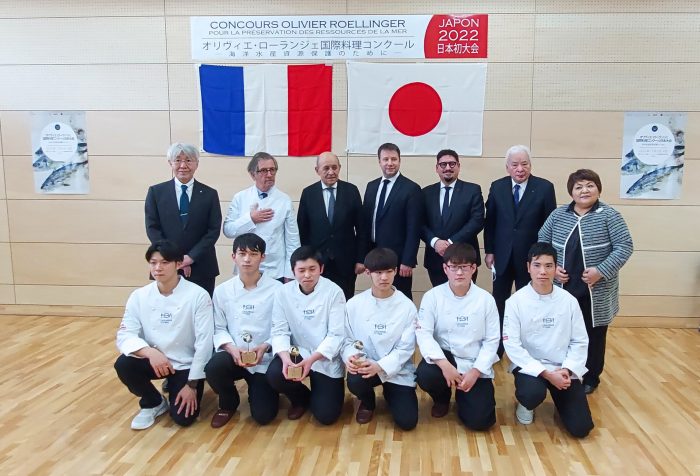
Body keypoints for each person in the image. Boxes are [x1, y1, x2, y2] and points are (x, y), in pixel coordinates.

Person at [538, 169, 633, 394]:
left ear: (598, 189)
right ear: (571, 192)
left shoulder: (609, 215)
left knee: (594, 334)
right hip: (563, 286)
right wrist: (552, 269)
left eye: (589, 185)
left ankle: (591, 376)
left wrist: (601, 270)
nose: (584, 190)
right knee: (563, 332)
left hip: (596, 290)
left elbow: (625, 246)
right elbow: (543, 240)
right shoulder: (558, 215)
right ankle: (564, 371)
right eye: (579, 187)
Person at [114, 240, 213, 430]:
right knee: (123, 364)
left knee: (183, 419)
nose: (158, 268)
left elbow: (204, 342)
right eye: (153, 263)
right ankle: (153, 402)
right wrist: (150, 353)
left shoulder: (197, 295)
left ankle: (186, 389)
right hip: (155, 361)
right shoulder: (139, 296)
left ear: (178, 264)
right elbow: (125, 335)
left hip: (185, 365)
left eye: (165, 262)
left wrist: (192, 385)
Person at [503, 242, 593, 438]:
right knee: (531, 393)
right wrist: (545, 373)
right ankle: (526, 405)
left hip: (562, 368)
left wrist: (567, 369)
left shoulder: (569, 301)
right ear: (528, 268)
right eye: (537, 265)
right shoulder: (515, 302)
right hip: (531, 367)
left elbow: (580, 341)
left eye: (548, 266)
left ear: (556, 268)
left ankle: (563, 402)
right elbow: (513, 346)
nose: (542, 271)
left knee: (581, 428)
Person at [416, 243, 499, 431]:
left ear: (473, 269)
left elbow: (492, 340)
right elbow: (424, 333)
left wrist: (476, 371)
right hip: (446, 357)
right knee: (426, 375)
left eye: (464, 267)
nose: (459, 273)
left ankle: (464, 400)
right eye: (454, 267)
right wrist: (445, 366)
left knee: (480, 422)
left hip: (473, 361)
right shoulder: (432, 296)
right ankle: (442, 398)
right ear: (445, 269)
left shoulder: (486, 299)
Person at [483, 145, 556, 356]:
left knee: (530, 304)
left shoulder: (544, 187)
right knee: (499, 303)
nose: (520, 169)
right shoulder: (497, 187)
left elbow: (549, 224)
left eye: (524, 164)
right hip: (502, 257)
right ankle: (496, 349)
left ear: (530, 165)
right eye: (515, 164)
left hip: (532, 260)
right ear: (507, 167)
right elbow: (491, 223)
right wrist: (490, 251)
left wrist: (544, 258)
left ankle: (528, 348)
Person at [204, 233, 282, 428]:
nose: (247, 259)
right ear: (234, 257)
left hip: (264, 358)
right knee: (214, 367)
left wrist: (265, 346)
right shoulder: (222, 291)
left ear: (262, 257)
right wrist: (232, 349)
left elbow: (283, 327)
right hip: (234, 356)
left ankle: (265, 392)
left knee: (263, 417)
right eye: (242, 253)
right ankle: (228, 402)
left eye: (254, 254)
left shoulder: (278, 289)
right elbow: (219, 327)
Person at [266, 246, 346, 425]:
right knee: (274, 374)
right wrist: (285, 359)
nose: (307, 275)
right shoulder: (283, 293)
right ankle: (300, 398)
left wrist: (312, 360)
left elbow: (336, 335)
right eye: (301, 270)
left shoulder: (334, 292)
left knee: (326, 416)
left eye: (312, 269)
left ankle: (320, 394)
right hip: (297, 351)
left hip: (325, 358)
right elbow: (279, 331)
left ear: (321, 269)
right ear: (293, 271)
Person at [343, 248, 418, 430]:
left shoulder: (407, 306)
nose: (384, 277)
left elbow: (406, 349)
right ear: (368, 273)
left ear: (395, 271)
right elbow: (347, 339)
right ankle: (367, 402)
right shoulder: (354, 304)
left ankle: (391, 392)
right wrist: (352, 357)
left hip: (396, 370)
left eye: (389, 271)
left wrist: (381, 366)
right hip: (366, 366)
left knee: (407, 422)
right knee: (354, 380)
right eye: (378, 272)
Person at [145, 143, 222, 296]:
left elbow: (213, 231)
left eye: (188, 160)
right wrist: (175, 259)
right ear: (170, 163)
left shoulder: (210, 194)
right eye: (178, 160)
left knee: (201, 311)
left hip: (202, 265)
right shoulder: (156, 192)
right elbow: (152, 228)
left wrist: (190, 258)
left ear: (197, 164)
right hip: (167, 265)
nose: (183, 165)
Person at [223, 152, 300, 281]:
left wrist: (290, 273)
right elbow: (228, 230)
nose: (269, 174)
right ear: (253, 174)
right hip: (245, 269)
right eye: (264, 170)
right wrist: (250, 219)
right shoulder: (240, 198)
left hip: (275, 271)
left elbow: (293, 240)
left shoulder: (284, 200)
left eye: (272, 170)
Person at [359, 143, 422, 300]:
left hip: (399, 259)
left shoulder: (411, 188)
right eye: (385, 159)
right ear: (379, 161)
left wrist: (408, 260)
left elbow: (414, 228)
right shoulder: (371, 186)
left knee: (401, 297)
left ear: (400, 161)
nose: (390, 163)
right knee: (379, 295)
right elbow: (366, 223)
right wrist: (362, 257)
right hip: (374, 254)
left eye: (394, 159)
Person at [297, 151, 364, 299]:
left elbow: (362, 228)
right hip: (317, 263)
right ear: (317, 170)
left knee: (344, 300)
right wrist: (307, 259)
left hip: (346, 262)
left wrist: (361, 259)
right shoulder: (308, 193)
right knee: (318, 302)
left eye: (335, 167)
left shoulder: (351, 191)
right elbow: (303, 230)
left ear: (340, 168)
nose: (331, 172)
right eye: (326, 168)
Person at [421, 149, 485, 286]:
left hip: (465, 258)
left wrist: (450, 243)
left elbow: (477, 221)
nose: (448, 168)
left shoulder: (472, 190)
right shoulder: (425, 193)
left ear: (459, 166)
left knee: (466, 300)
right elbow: (419, 223)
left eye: (452, 164)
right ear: (437, 168)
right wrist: (435, 242)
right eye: (443, 164)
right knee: (440, 300)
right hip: (435, 258)